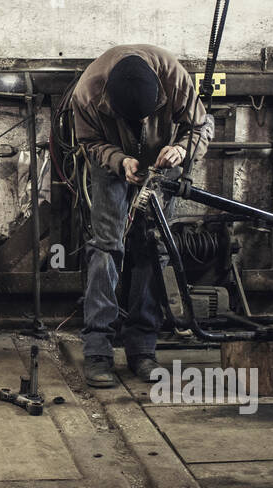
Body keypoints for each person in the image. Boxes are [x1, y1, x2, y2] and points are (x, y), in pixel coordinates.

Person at [69, 45, 213, 388]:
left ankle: (143, 349)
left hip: (165, 162)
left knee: (155, 247)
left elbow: (202, 127)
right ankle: (98, 351)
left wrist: (181, 149)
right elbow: (89, 142)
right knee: (107, 247)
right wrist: (120, 161)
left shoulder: (175, 79)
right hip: (114, 163)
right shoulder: (87, 93)